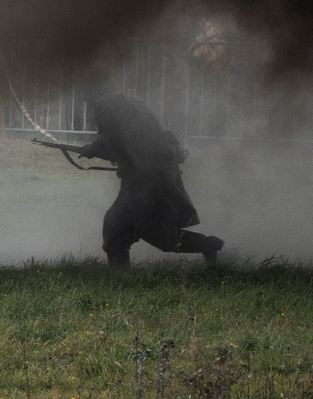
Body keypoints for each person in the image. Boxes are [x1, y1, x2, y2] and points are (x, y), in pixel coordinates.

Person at [80, 92, 224, 268]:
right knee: (114, 225)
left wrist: (90, 149)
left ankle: (208, 246)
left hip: (147, 181)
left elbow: (111, 137)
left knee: (154, 233)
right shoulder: (129, 106)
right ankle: (119, 275)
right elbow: (125, 145)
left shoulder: (107, 105)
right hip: (142, 179)